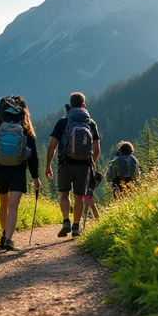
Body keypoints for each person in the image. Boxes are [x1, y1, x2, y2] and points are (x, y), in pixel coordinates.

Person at [0, 95, 41, 251]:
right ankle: (9, 239)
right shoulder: (25, 128)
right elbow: (33, 155)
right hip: (18, 170)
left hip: (0, 169)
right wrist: (36, 177)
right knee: (13, 205)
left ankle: (3, 235)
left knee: (3, 203)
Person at [45, 92, 100, 238]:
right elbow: (97, 149)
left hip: (65, 163)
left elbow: (52, 146)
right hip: (83, 165)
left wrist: (48, 165)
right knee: (79, 196)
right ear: (83, 105)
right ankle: (76, 226)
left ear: (70, 104)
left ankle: (66, 222)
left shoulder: (63, 122)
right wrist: (91, 164)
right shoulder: (91, 123)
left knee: (64, 194)